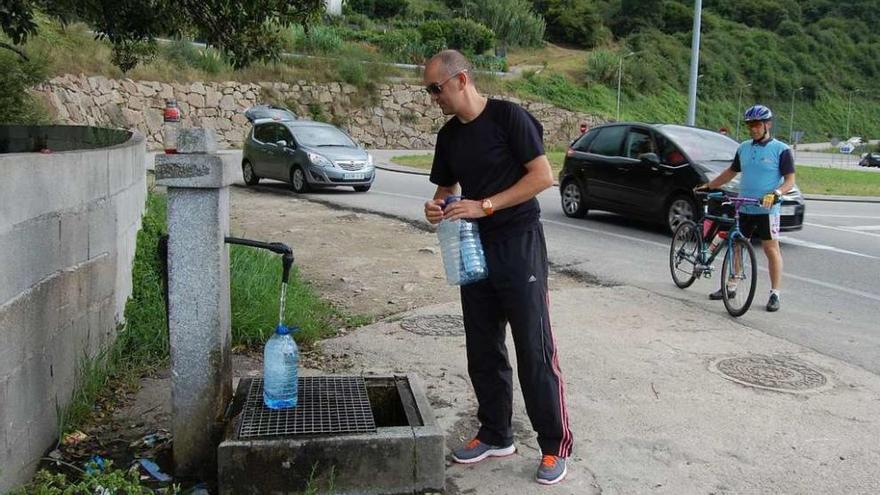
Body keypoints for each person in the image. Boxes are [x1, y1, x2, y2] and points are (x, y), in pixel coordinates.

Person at [421, 50, 573, 485]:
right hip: (474, 249)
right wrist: (435, 207)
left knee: (533, 346)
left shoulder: (509, 118)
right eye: (429, 90)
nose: (433, 97)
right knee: (483, 345)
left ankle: (553, 445)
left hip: (518, 242)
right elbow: (445, 188)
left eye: (437, 88)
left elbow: (543, 176)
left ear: (461, 79)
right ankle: (496, 433)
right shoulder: (449, 137)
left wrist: (485, 205)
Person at [697, 104, 796, 312]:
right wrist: (710, 185)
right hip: (744, 207)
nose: (753, 128)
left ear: (767, 124)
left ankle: (774, 293)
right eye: (750, 125)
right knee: (737, 247)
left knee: (771, 249)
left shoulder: (781, 150)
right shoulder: (743, 148)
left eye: (757, 124)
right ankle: (731, 287)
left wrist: (777, 194)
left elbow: (789, 181)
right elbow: (730, 172)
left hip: (766, 210)